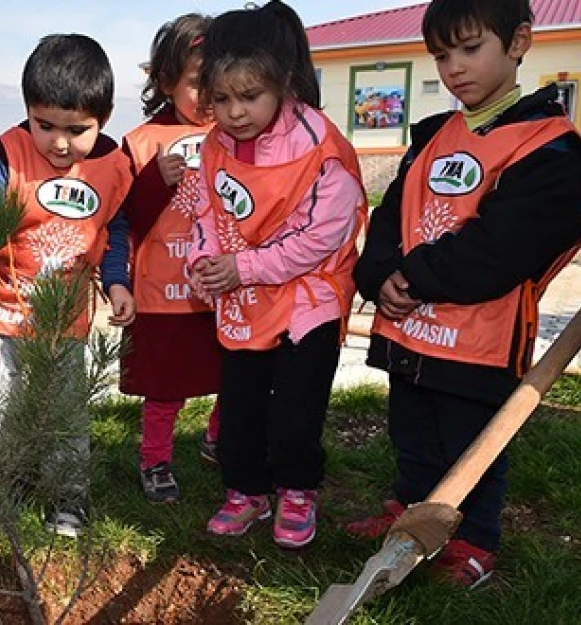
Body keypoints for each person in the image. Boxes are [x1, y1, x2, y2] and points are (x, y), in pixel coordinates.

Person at [349, 0, 581, 587]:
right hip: (411, 329)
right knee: (413, 429)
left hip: (480, 338)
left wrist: (417, 277)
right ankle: (408, 507)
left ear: (520, 41)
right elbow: (391, 215)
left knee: (471, 443)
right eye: (440, 55)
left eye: (470, 49)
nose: (454, 67)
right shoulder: (432, 135)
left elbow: (504, 247)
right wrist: (378, 276)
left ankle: (473, 540)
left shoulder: (552, 149)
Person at [187, 0, 365, 549]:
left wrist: (240, 267)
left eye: (249, 97)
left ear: (284, 84)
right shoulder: (216, 145)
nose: (235, 113)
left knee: (294, 411)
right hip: (245, 300)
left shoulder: (323, 151)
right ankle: (246, 492)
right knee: (238, 407)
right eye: (221, 99)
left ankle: (297, 490)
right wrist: (201, 262)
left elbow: (319, 240)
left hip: (309, 301)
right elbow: (207, 212)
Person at [0, 34, 134, 537]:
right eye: (45, 126)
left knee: (67, 412)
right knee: (1, 405)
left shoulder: (114, 167)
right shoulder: (4, 155)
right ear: (27, 111)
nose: (60, 143)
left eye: (76, 130)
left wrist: (116, 283)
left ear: (103, 118)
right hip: (1, 312)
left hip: (66, 320)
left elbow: (116, 229)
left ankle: (69, 498)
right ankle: (10, 483)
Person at [118, 13, 222, 505]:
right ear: (165, 81)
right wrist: (155, 179)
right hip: (162, 292)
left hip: (223, 288)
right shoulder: (141, 143)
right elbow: (126, 218)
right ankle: (155, 460)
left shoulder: (236, 134)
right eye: (198, 84)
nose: (209, 97)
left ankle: (219, 439)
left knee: (236, 369)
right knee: (164, 390)